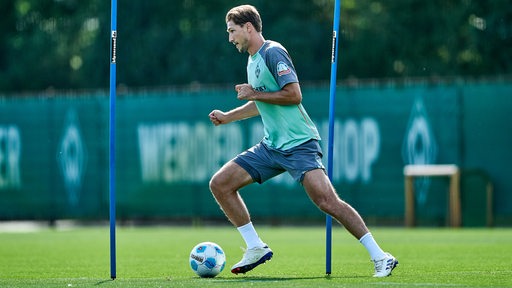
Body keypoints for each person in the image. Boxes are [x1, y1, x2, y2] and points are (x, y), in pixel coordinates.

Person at [208, 4, 398, 277]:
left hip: (299, 144)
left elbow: (294, 95)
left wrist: (255, 94)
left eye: (232, 31)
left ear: (248, 27)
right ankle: (255, 246)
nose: (230, 38)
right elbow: (261, 103)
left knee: (327, 202)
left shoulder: (273, 52)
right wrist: (229, 116)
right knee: (220, 184)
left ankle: (381, 257)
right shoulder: (251, 60)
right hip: (271, 146)